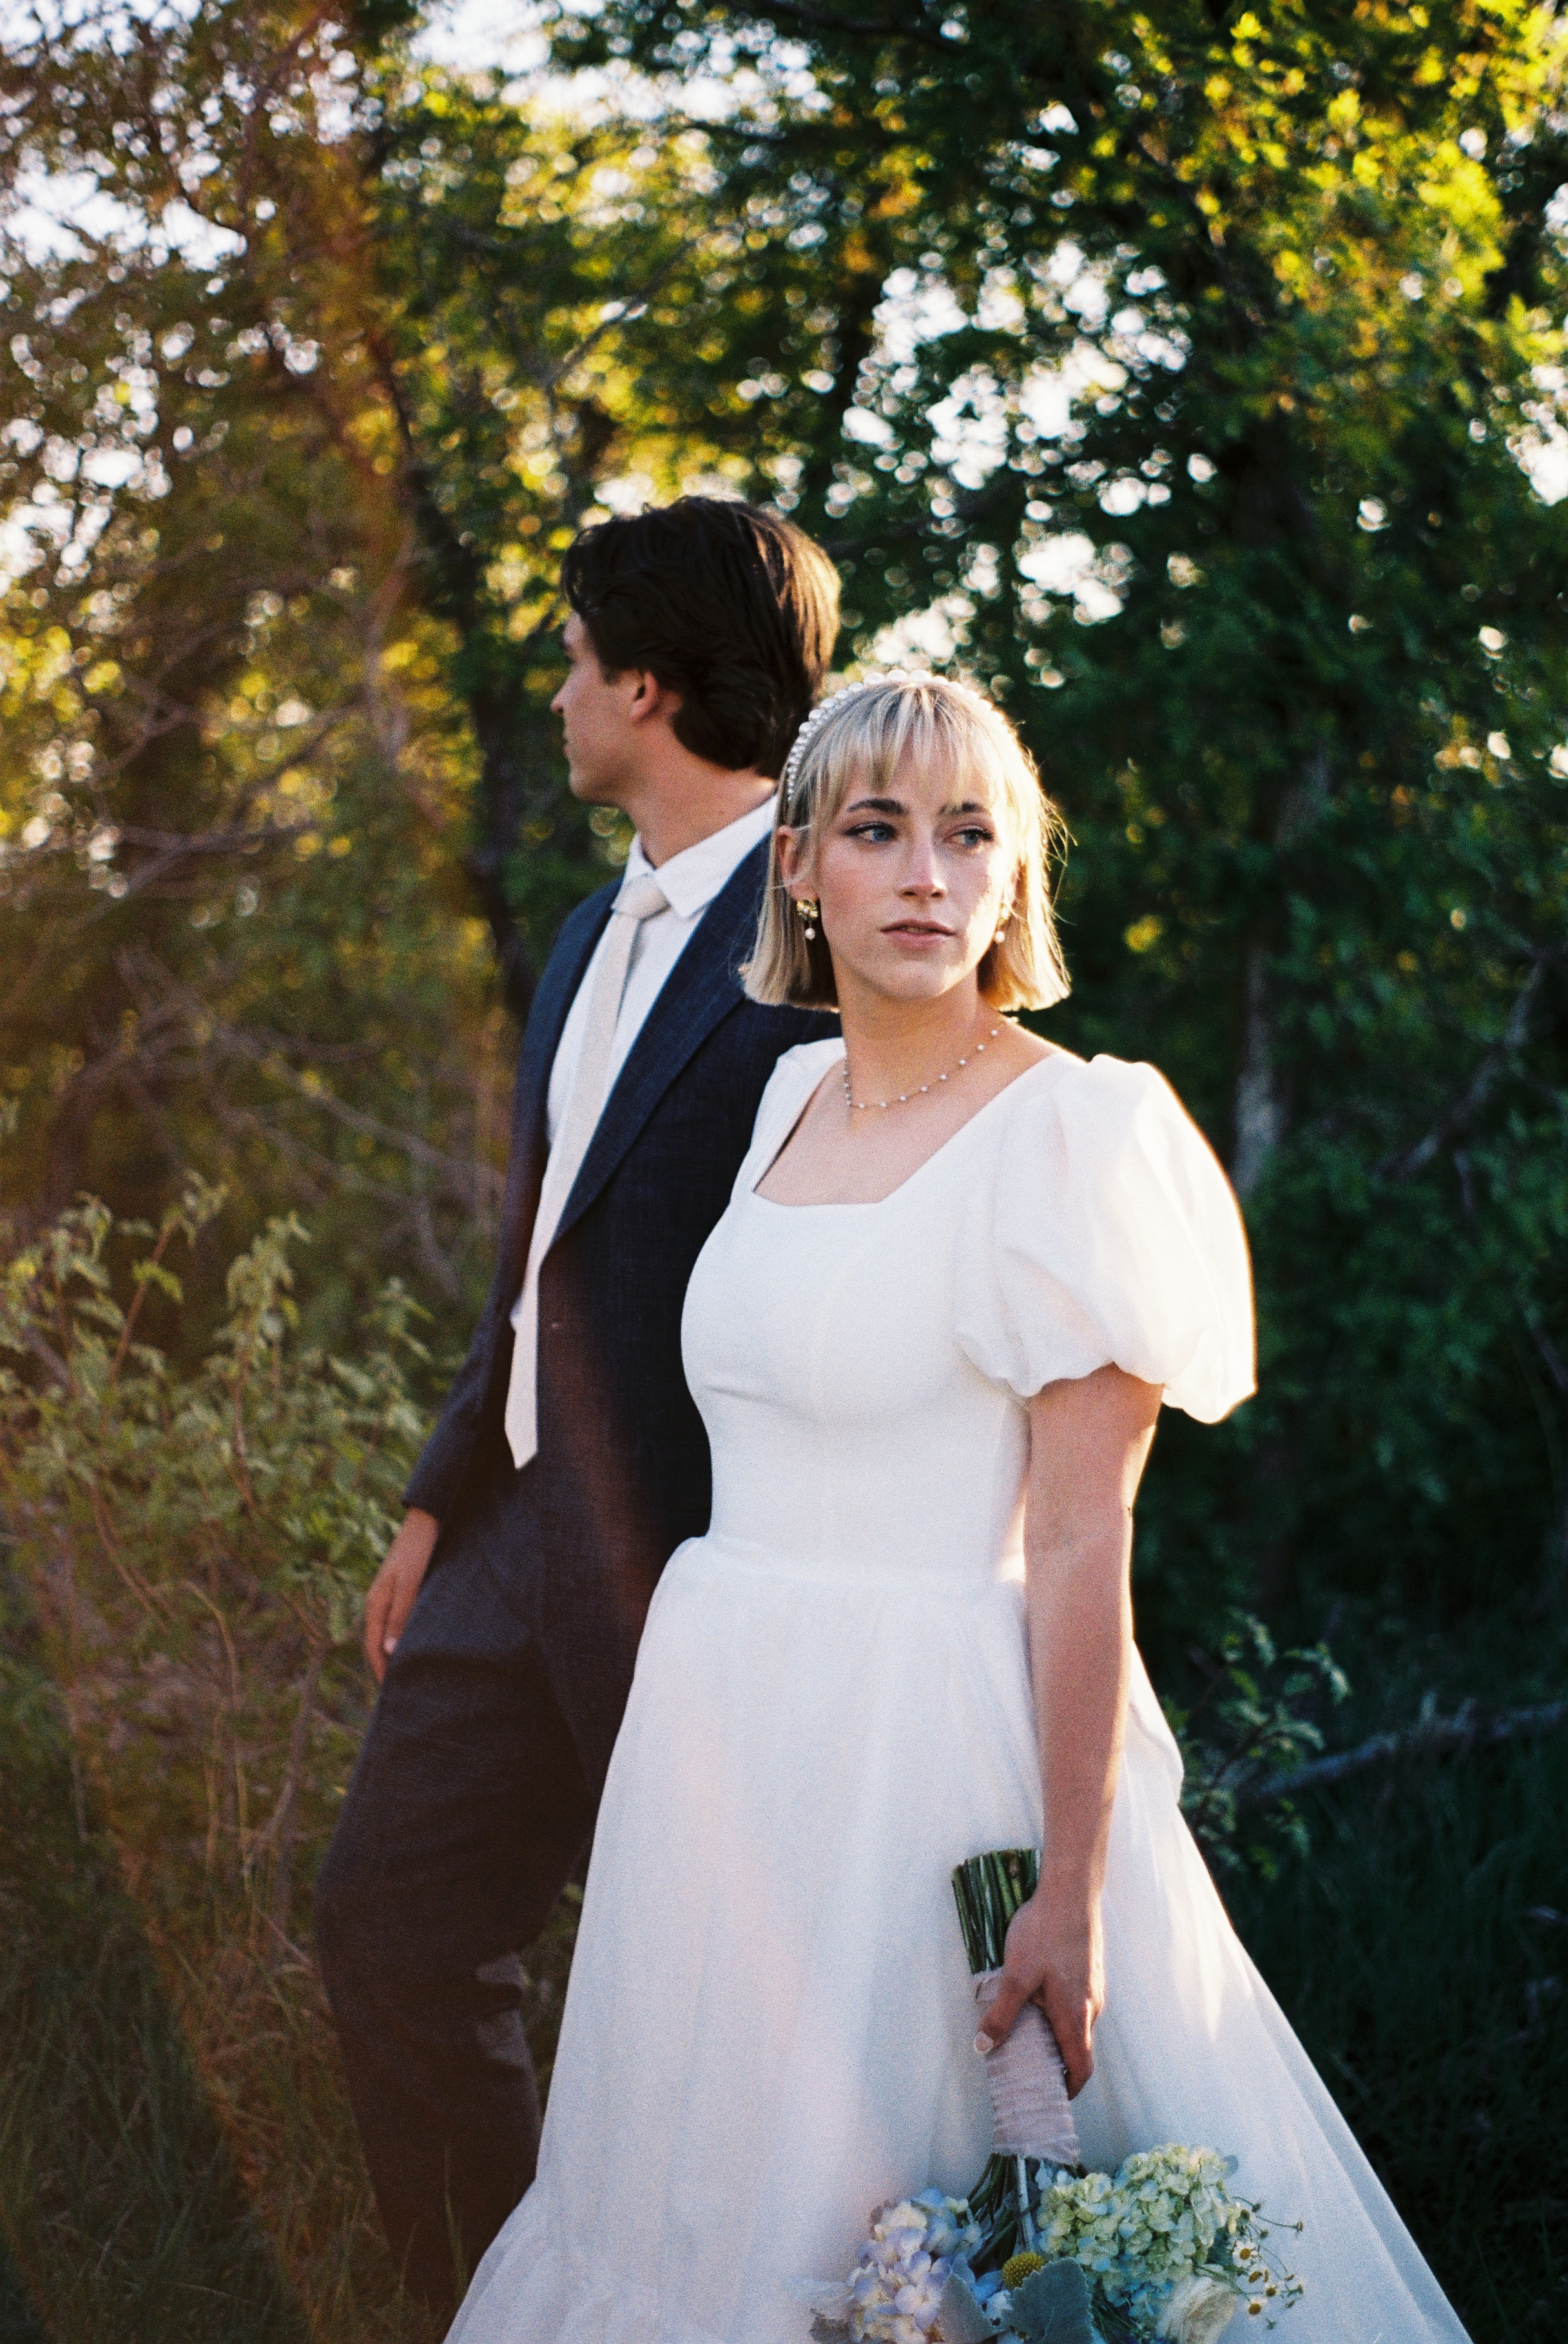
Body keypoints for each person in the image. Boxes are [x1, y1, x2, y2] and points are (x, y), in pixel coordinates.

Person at [442, 673, 1472, 2344]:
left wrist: (1067, 1887)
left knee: (931, 2235)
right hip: (722, 1752)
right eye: (874, 831)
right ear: (799, 871)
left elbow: (1076, 1542)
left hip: (917, 1770)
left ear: (1010, 877)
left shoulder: (1078, 1134)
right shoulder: (785, 1099)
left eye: (966, 833)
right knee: (684, 2220)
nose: (922, 871)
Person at [312, 498, 840, 2312]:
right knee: (387, 1928)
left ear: (645, 680)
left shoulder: (828, 936)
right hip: (507, 1540)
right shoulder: (573, 938)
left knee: (700, 2013)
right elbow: (534, 1249)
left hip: (706, 1579)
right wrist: (437, 1494)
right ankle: (489, 2300)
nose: (549, 693)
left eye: (566, 659)